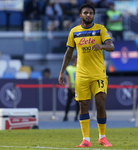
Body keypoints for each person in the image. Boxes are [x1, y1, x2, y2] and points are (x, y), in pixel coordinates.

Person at [58, 3, 114, 147]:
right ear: (80, 15)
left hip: (98, 73)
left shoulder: (100, 29)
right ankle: (86, 140)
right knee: (83, 105)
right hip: (81, 75)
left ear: (93, 15)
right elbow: (69, 53)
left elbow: (111, 46)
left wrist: (101, 46)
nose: (88, 15)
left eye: (90, 13)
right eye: (85, 13)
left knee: (100, 104)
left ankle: (102, 137)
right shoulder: (74, 32)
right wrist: (61, 71)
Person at [63, 55, 79, 121]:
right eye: (76, 59)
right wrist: (70, 87)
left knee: (78, 103)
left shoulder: (80, 68)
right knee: (68, 102)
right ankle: (65, 116)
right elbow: (67, 77)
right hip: (71, 88)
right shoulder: (69, 68)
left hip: (78, 88)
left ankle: (76, 116)